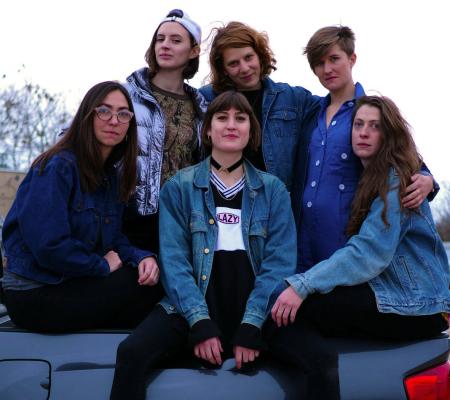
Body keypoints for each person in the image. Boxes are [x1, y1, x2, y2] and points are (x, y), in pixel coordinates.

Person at [109, 91, 297, 400]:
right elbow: (173, 261)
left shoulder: (273, 189)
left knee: (320, 359)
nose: (231, 125)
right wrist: (199, 321)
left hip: (256, 305)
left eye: (241, 118)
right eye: (222, 118)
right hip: (192, 304)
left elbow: (280, 262)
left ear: (252, 131)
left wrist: (252, 324)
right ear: (207, 130)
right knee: (131, 353)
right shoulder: (179, 187)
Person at [272, 95, 450, 399]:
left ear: (388, 134)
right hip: (400, 295)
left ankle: (323, 374)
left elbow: (368, 253)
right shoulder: (370, 176)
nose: (364, 132)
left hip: (417, 303)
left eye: (374, 126)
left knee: (286, 313)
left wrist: (302, 285)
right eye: (358, 125)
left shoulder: (397, 178)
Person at [1, 81, 162, 332]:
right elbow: (49, 245)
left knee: (149, 277)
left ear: (130, 126)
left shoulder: (110, 177)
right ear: (88, 116)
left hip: (69, 283)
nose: (114, 120)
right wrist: (101, 266)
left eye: (123, 114)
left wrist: (143, 258)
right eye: (104, 111)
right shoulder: (57, 167)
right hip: (35, 291)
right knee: (142, 291)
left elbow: (113, 240)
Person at [293, 26, 438, 273]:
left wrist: (428, 180)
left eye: (334, 59)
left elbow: (406, 158)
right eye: (319, 63)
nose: (327, 69)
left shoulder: (372, 112)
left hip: (350, 242)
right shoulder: (309, 114)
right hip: (303, 245)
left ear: (352, 59)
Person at [122, 9, 208, 253]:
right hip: (131, 216)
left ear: (193, 51)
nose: (165, 45)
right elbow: (76, 136)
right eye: (160, 39)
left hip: (182, 219)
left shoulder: (202, 106)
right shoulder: (127, 94)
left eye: (176, 40)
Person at [199, 21, 320, 191]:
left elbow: (336, 108)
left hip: (275, 206)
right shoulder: (205, 98)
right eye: (234, 63)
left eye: (248, 57)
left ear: (259, 55)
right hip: (220, 204)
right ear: (223, 69)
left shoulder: (293, 98)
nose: (244, 68)